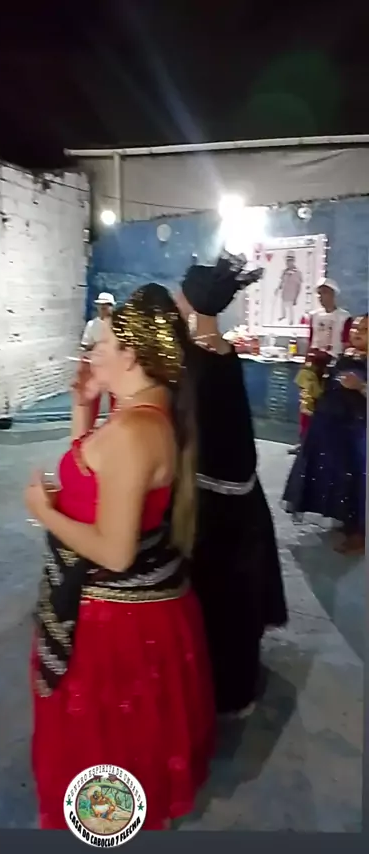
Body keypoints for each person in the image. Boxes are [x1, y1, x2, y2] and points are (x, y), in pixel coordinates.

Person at [24, 284, 215, 830]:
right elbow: (89, 478)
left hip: (113, 627)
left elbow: (114, 548)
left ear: (131, 355)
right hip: (128, 610)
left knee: (104, 755)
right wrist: (82, 407)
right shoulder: (141, 414)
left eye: (102, 344)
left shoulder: (133, 432)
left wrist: (43, 511)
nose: (91, 354)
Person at [174, 255, 288, 718]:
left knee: (214, 599)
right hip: (241, 493)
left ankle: (221, 692)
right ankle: (237, 686)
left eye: (182, 291)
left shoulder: (195, 360)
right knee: (236, 596)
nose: (177, 297)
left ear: (193, 301)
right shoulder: (224, 352)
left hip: (212, 502)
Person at [283, 314, 367, 556]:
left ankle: (359, 534)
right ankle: (344, 520)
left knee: (355, 480)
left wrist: (361, 387)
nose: (357, 332)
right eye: (355, 328)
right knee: (334, 475)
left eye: (365, 329)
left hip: (355, 430)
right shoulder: (346, 355)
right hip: (329, 426)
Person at [289, 278, 352, 455]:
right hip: (314, 364)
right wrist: (307, 361)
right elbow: (311, 339)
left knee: (330, 405)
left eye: (324, 292)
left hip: (334, 364)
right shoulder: (313, 316)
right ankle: (304, 442)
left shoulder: (344, 317)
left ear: (332, 294)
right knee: (307, 403)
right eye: (319, 293)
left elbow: (346, 343)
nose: (320, 297)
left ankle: (326, 444)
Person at [81, 291, 116, 421]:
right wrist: (99, 345)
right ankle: (91, 422)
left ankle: (115, 422)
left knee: (115, 395)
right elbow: (85, 344)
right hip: (97, 364)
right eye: (101, 306)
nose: (104, 308)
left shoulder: (118, 325)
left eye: (107, 306)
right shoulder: (92, 325)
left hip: (114, 364)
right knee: (95, 396)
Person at [276, 251, 303, 325]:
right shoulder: (284, 272)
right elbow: (282, 281)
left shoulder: (297, 273)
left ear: (293, 261)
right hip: (284, 294)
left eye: (290, 260)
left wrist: (296, 297)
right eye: (287, 261)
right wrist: (278, 288)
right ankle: (283, 317)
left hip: (292, 295)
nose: (288, 262)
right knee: (283, 306)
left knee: (291, 309)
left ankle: (291, 322)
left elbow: (299, 286)